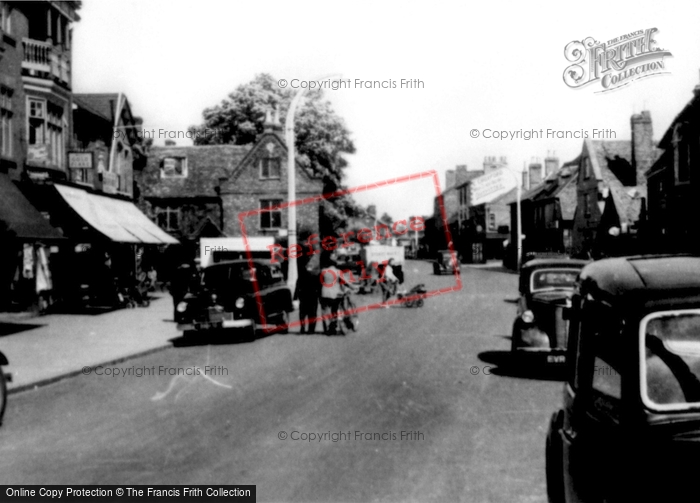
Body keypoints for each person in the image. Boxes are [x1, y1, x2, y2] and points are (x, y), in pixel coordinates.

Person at [319, 257, 345, 335]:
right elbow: (344, 282)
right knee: (335, 309)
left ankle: (327, 326)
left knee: (325, 310)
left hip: (324, 293)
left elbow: (320, 282)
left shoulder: (323, 271)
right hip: (335, 294)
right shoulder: (338, 272)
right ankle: (333, 326)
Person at [294, 264, 320, 334]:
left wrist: (295, 297)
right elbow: (318, 288)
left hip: (303, 297)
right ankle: (311, 329)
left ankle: (302, 327)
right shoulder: (315, 277)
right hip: (313, 298)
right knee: (312, 314)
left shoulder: (301, 277)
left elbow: (297, 288)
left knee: (302, 314)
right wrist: (319, 296)